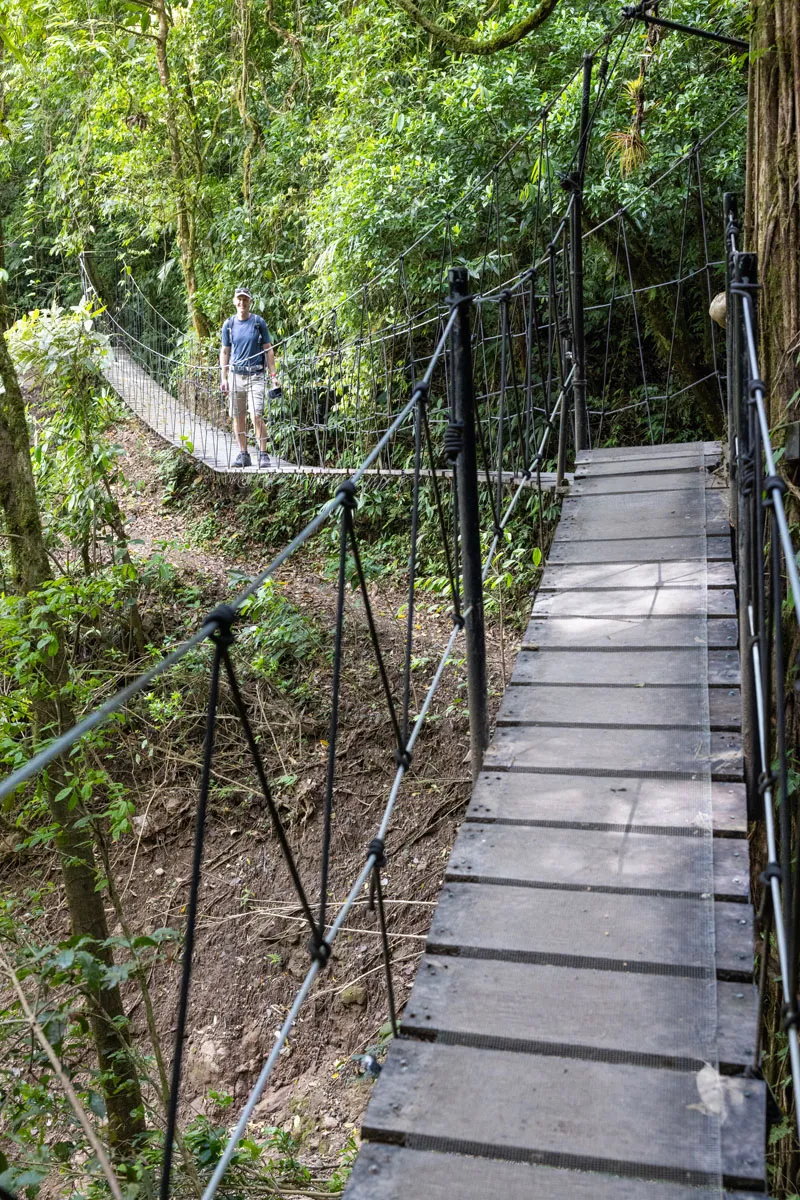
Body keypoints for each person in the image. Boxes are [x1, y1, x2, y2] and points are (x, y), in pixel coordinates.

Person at [219, 287, 280, 468]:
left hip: (255, 375)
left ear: (250, 302)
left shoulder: (258, 322)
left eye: (245, 299)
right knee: (238, 417)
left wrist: (273, 375)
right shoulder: (228, 325)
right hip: (236, 375)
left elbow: (268, 349)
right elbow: (225, 351)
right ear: (234, 301)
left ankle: (263, 454)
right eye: (239, 299)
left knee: (256, 415)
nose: (242, 303)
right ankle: (243, 454)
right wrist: (224, 378)